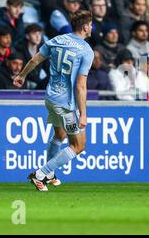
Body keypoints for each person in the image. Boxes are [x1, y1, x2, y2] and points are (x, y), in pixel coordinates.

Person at [13, 10, 94, 191]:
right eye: (91, 24)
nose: (92, 27)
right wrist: (83, 114)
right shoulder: (86, 51)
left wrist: (22, 76)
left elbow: (35, 60)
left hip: (50, 97)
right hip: (66, 104)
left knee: (60, 135)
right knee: (78, 145)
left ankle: (49, 175)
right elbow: (80, 86)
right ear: (86, 27)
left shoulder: (57, 40)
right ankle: (41, 173)